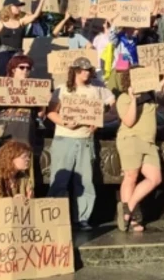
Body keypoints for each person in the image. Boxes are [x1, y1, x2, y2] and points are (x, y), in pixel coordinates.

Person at [46, 57, 116, 230]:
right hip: (64, 137)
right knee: (60, 180)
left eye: (88, 70)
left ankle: (82, 218)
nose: (85, 73)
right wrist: (64, 123)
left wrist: (98, 122)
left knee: (85, 181)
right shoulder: (62, 89)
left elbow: (113, 105)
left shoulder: (97, 89)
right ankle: (56, 217)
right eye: (82, 70)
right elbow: (51, 113)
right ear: (74, 71)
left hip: (86, 139)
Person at [116, 75, 164, 232]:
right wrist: (133, 99)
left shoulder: (151, 98)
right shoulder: (123, 98)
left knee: (155, 178)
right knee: (131, 177)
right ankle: (132, 219)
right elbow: (129, 121)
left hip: (149, 142)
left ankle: (127, 209)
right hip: (131, 139)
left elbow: (162, 89)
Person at [0, 55, 42, 169]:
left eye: (28, 68)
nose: (25, 71)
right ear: (13, 69)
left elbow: (41, 115)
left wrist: (44, 102)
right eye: (22, 67)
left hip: (23, 141)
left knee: (22, 180)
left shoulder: (36, 90)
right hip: (1, 141)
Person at [0, 0, 45, 76]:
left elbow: (35, 15)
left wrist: (42, 1)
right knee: (2, 78)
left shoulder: (20, 22)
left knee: (18, 78)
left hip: (18, 56)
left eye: (19, 6)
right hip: (3, 55)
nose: (19, 8)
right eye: (16, 6)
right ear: (8, 7)